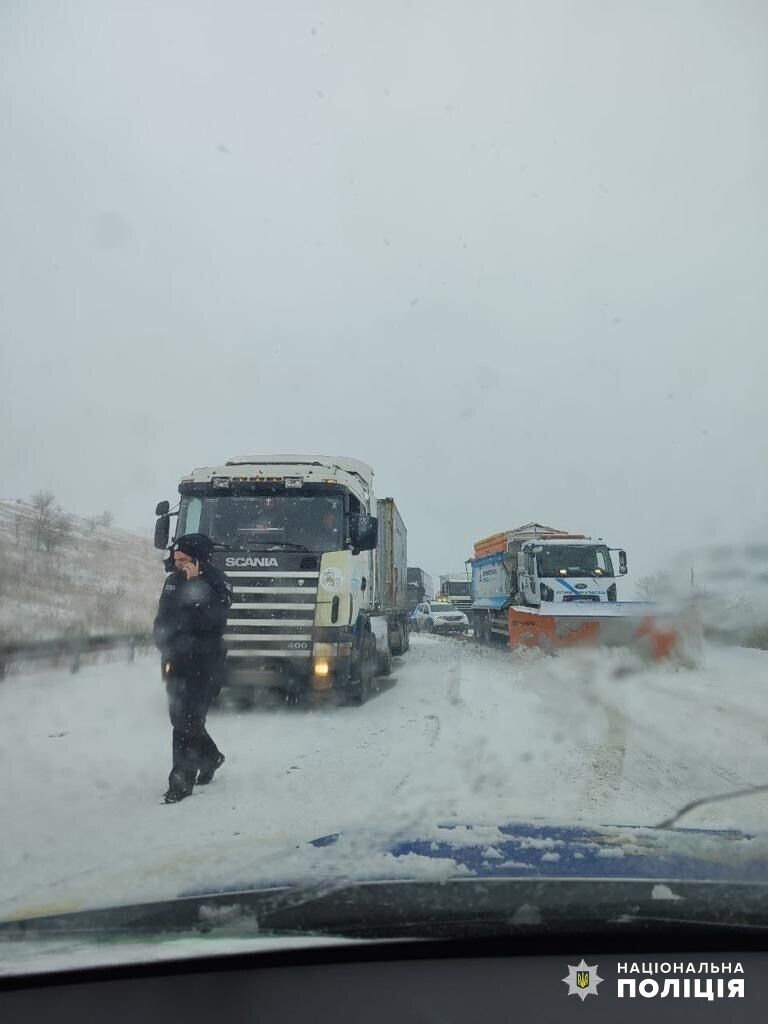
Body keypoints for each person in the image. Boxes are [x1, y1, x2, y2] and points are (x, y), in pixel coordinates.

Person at [153, 533, 233, 804]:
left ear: (199, 560)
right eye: (176, 559)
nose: (177, 564)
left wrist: (196, 585)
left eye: (184, 560)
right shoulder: (172, 582)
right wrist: (162, 641)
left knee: (187, 721)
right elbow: (163, 617)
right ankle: (210, 757)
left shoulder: (218, 582)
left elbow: (215, 620)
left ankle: (180, 782)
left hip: (206, 664)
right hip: (177, 662)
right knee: (181, 720)